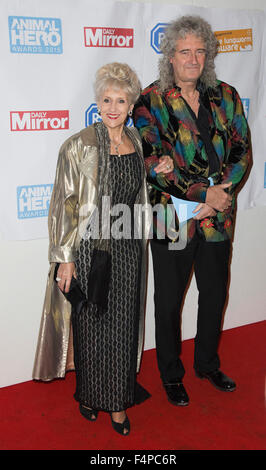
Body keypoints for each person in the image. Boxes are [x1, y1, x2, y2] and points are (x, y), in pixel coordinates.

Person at [32, 62, 173, 435]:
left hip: (128, 249)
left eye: (121, 100)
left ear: (131, 106)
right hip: (89, 248)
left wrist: (159, 166)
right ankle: (90, 395)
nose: (113, 107)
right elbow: (63, 203)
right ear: (97, 102)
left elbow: (137, 186)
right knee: (91, 326)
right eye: (107, 99)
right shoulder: (79, 145)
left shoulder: (136, 141)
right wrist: (63, 259)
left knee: (123, 326)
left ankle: (117, 403)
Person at [133, 16, 250, 407]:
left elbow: (242, 151)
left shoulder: (226, 95)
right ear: (170, 57)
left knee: (214, 295)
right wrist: (204, 195)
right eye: (185, 51)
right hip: (173, 218)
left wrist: (222, 193)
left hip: (219, 219)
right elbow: (154, 163)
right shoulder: (149, 102)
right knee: (168, 302)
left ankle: (207, 364)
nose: (193, 59)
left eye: (200, 51)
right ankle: (170, 374)